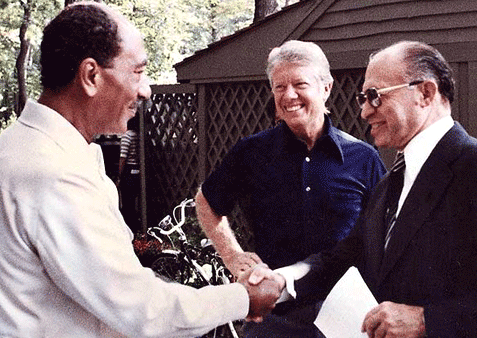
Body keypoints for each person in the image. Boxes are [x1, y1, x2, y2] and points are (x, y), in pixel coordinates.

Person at [0, 2, 281, 337]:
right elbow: (142, 311)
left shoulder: (31, 149)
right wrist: (242, 299)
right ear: (91, 76)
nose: (146, 90)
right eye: (137, 72)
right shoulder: (52, 171)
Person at [268, 40, 477, 337]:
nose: (365, 112)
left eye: (375, 96)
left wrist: (427, 320)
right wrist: (281, 282)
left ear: (425, 93)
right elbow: (343, 260)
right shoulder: (389, 184)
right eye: (363, 98)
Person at [195, 40, 386, 337]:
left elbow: (384, 231)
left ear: (326, 88)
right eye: (279, 87)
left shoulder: (363, 158)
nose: (289, 95)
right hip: (273, 317)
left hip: (346, 317)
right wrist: (232, 254)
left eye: (299, 84)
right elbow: (206, 201)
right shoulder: (252, 152)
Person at [118, 115, 141, 232]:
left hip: (129, 170)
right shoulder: (139, 135)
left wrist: (119, 175)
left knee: (127, 201)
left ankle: (129, 226)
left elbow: (123, 157)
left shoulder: (127, 136)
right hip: (138, 169)